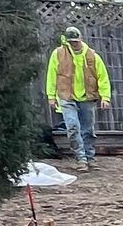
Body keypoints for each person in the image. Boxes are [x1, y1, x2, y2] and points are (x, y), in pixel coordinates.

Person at [45, 25, 111, 170]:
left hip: (87, 97)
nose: (74, 44)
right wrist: (51, 96)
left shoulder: (92, 56)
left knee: (88, 129)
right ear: (67, 41)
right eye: (71, 42)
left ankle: (90, 158)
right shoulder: (58, 54)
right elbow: (52, 75)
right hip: (66, 96)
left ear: (81, 39)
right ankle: (81, 159)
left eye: (76, 41)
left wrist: (105, 97)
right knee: (72, 127)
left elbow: (102, 77)